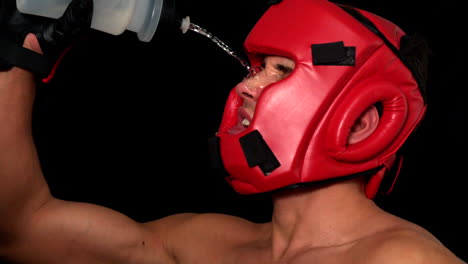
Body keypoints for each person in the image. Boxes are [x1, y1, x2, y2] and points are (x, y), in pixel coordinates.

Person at [0, 0, 465, 263]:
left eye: (279, 70)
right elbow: (22, 227)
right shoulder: (210, 245)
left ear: (364, 119)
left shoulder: (403, 260)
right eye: (255, 67)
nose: (245, 87)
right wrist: (23, 51)